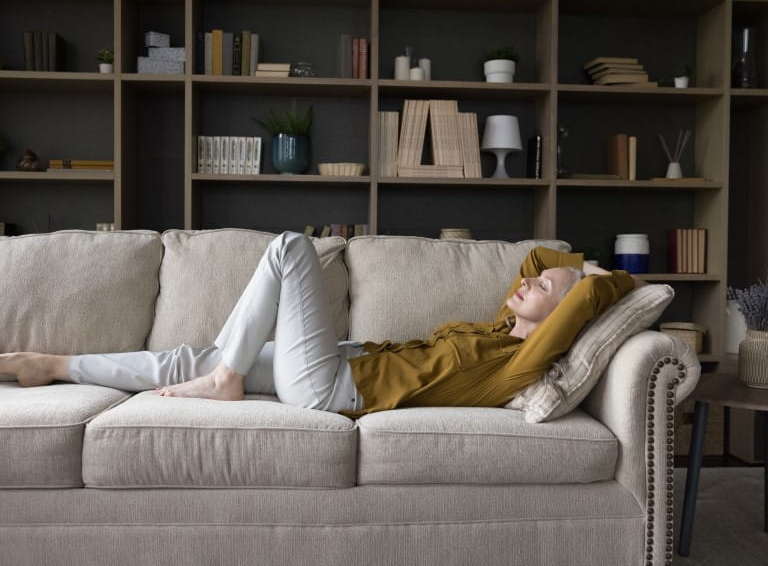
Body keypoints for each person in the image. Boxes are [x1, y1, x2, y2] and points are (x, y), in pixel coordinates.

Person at [0, 232, 638, 417]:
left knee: (289, 247)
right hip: (342, 358)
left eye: (543, 291)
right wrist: (561, 274)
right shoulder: (501, 330)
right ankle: (53, 366)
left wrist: (593, 280)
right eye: (533, 283)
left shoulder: (518, 363)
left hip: (333, 388)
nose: (527, 282)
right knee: (192, 358)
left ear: (564, 315)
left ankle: (225, 376)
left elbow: (601, 290)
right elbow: (539, 257)